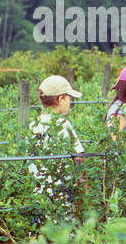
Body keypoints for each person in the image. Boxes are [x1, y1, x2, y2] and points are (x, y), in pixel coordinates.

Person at [27, 75, 85, 226]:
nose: (70, 103)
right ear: (60, 99)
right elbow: (79, 157)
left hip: (39, 191)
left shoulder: (33, 125)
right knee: (64, 232)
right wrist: (82, 184)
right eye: (69, 99)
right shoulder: (64, 125)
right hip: (61, 191)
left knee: (42, 229)